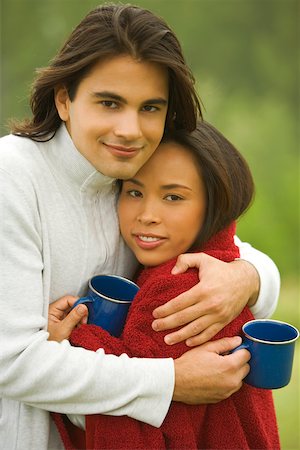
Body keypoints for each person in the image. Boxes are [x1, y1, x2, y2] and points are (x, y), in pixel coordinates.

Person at [0, 4, 279, 450]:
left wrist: (247, 279)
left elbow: (232, 250)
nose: (129, 129)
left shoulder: (134, 174)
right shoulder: (12, 176)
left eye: (150, 107)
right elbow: (10, 363)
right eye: (109, 103)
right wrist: (170, 380)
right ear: (64, 98)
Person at [50, 121, 280, 450]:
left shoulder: (177, 289)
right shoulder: (217, 262)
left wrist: (70, 342)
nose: (147, 214)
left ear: (214, 205)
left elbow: (126, 418)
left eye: (173, 197)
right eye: (134, 192)